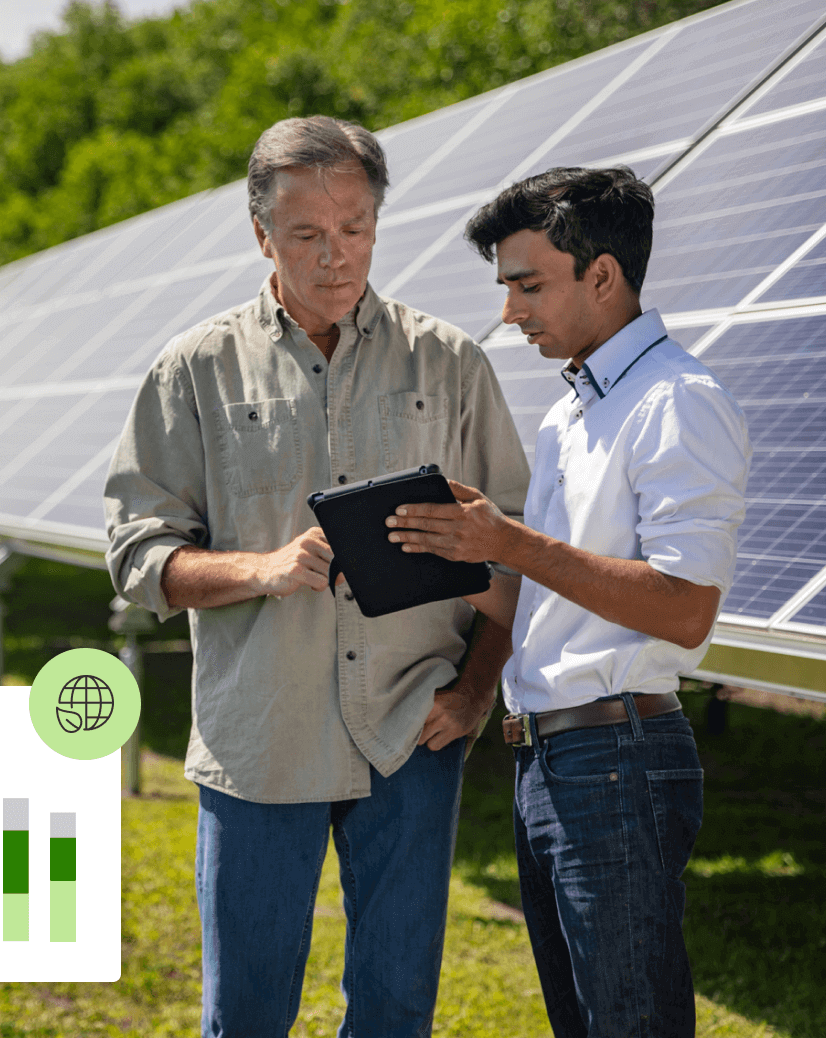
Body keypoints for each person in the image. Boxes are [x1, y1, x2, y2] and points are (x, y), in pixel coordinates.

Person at [103, 115, 530, 1035]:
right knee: (246, 1014)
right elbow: (137, 553)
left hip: (413, 737)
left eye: (357, 230)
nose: (337, 257)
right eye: (306, 235)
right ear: (261, 233)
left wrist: (475, 690)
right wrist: (261, 567)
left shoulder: (450, 364)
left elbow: (514, 546)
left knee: (396, 1010)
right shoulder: (193, 371)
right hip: (263, 739)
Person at [385, 166, 751, 1037]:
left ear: (603, 276)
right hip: (551, 763)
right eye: (506, 287)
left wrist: (510, 541)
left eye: (528, 284)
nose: (511, 312)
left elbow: (685, 607)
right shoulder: (574, 414)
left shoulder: (676, 404)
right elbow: (544, 589)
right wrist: (436, 547)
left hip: (617, 757)